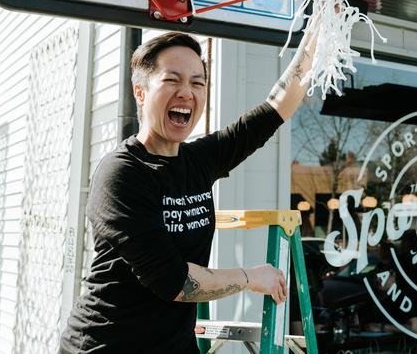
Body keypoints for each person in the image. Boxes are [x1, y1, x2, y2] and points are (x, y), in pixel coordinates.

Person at [59, 28, 320, 353]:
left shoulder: (198, 160)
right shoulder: (121, 174)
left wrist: (319, 31)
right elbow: (174, 282)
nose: (187, 92)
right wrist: (250, 277)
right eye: (172, 80)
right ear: (140, 92)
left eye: (197, 83)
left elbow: (276, 108)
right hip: (106, 344)